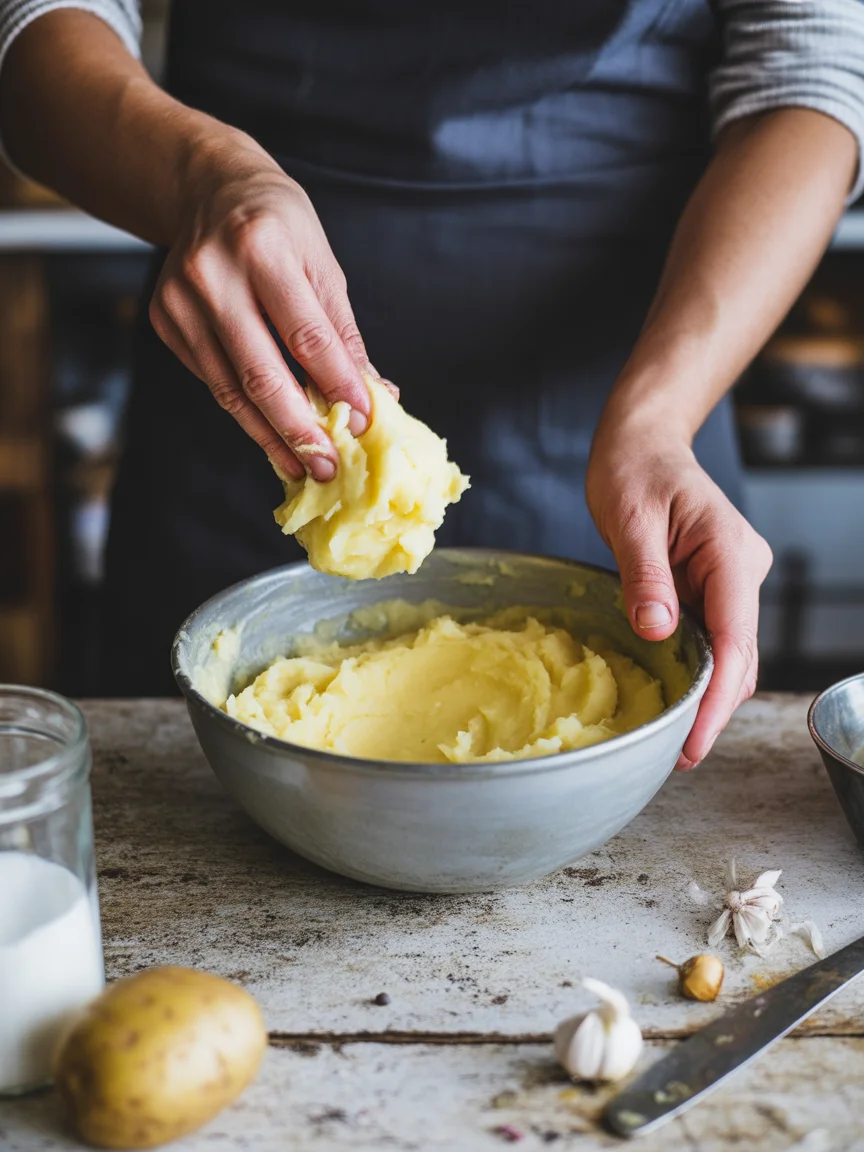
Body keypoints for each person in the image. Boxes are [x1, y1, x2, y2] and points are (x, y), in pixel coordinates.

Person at [1, 0, 862, 766]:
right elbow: (38, 23)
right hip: (246, 368)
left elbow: (813, 69)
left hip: (636, 373)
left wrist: (660, 415)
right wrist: (197, 177)